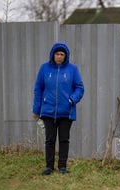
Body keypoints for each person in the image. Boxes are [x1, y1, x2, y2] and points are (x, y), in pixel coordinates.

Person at [32, 42, 85, 175]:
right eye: (57, 54)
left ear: (66, 56)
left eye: (62, 54)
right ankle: (49, 167)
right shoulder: (44, 69)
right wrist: (36, 110)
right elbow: (38, 89)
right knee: (49, 140)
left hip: (66, 112)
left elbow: (80, 88)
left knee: (64, 139)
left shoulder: (73, 69)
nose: (59, 56)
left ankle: (62, 167)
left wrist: (72, 99)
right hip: (48, 111)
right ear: (52, 55)